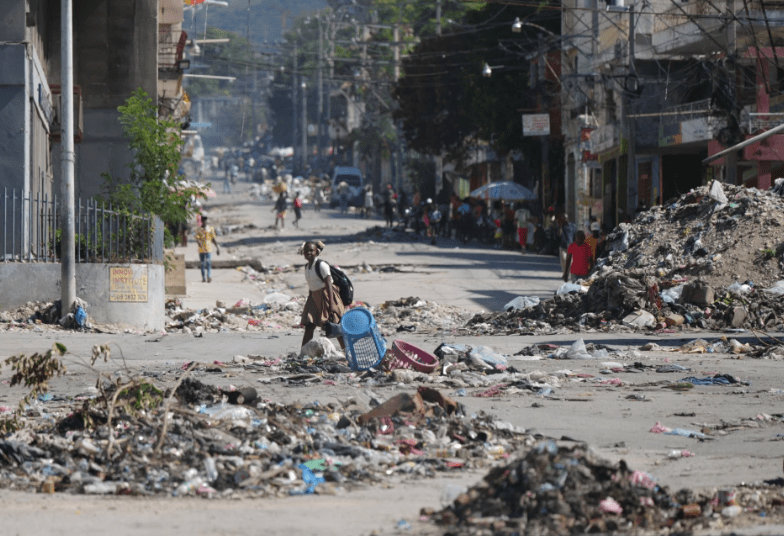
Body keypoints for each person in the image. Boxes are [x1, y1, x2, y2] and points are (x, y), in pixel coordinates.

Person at [299, 240, 345, 350]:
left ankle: (348, 352)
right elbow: (311, 284)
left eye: (311, 250)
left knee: (335, 327)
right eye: (306, 251)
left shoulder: (321, 265)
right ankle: (303, 354)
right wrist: (310, 301)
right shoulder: (307, 267)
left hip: (327, 296)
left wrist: (331, 304)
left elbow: (329, 284)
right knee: (309, 326)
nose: (308, 253)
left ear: (317, 252)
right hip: (314, 297)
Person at [194, 216, 220, 283]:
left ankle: (209, 276)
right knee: (202, 263)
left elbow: (213, 239)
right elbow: (197, 238)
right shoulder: (199, 230)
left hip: (208, 249)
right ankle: (203, 278)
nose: (205, 221)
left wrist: (217, 247)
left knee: (208, 262)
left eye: (206, 220)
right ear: (202, 221)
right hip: (201, 249)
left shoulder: (210, 229)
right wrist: (198, 241)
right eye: (203, 220)